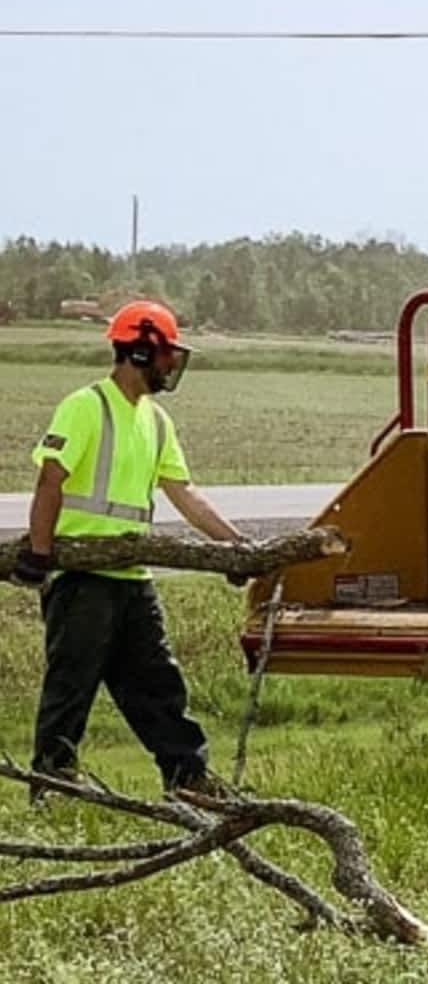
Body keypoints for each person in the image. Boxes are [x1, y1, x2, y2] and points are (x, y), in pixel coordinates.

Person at [10, 301, 249, 797]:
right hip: (81, 579)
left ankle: (189, 779)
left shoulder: (157, 422)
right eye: (166, 355)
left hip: (133, 579)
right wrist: (38, 552)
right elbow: (49, 480)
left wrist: (235, 548)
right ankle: (53, 787)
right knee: (70, 690)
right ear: (141, 349)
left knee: (158, 686)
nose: (171, 366)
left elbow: (185, 493)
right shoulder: (85, 406)